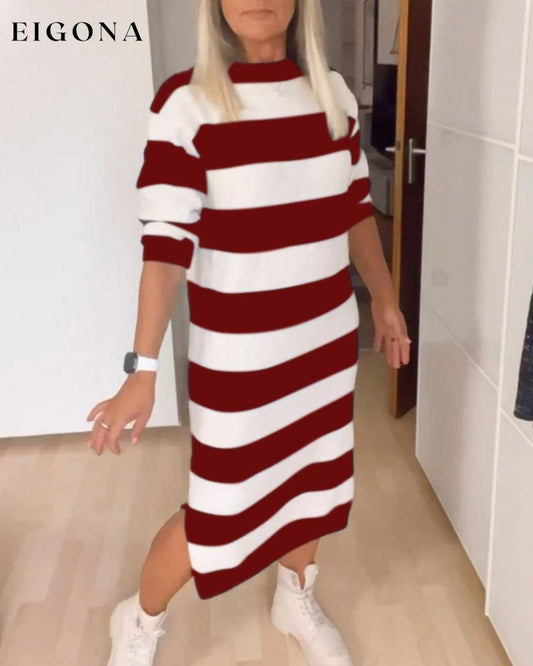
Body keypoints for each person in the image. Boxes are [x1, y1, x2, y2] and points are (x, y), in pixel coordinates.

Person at [87, 1, 411, 664]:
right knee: (217, 511)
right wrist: (141, 370)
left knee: (314, 484)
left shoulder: (332, 94)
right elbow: (165, 248)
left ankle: (295, 594)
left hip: (322, 348)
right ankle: (139, 619)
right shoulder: (187, 104)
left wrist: (383, 298)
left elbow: (354, 210)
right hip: (239, 362)